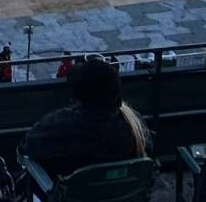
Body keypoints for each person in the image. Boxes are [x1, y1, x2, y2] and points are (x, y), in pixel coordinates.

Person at [19, 56, 148, 176]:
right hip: (121, 197)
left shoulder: (59, 126)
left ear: (77, 96)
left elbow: (27, 146)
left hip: (71, 199)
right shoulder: (134, 125)